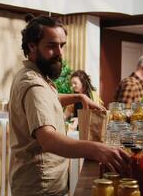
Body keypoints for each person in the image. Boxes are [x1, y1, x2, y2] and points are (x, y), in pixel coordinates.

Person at [9, 14, 130, 196]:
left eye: (62, 45)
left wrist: (79, 97)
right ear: (32, 46)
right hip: (40, 187)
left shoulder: (32, 76)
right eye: (51, 46)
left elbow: (49, 99)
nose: (59, 53)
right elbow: (48, 139)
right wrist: (97, 149)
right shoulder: (34, 85)